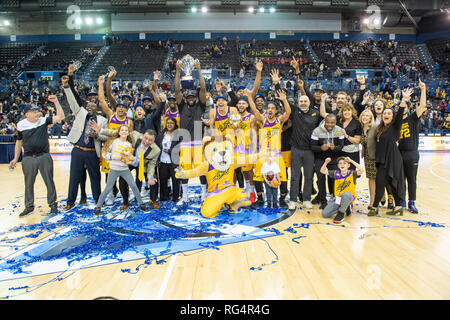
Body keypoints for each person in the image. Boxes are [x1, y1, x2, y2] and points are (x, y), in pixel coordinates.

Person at [9, 95, 65, 217]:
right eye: (34, 112)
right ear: (27, 114)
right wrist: (15, 158)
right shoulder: (21, 125)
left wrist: (56, 102)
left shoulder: (44, 120)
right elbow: (19, 142)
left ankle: (53, 205)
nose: (37, 113)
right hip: (28, 158)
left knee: (49, 181)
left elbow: (61, 116)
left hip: (44, 156)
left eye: (37, 111)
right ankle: (29, 206)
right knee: (28, 183)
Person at [61, 67, 108, 211]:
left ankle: (98, 201)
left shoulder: (102, 119)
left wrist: (98, 135)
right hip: (78, 150)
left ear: (96, 108)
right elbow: (72, 100)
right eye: (87, 105)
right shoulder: (80, 112)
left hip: (92, 150)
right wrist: (66, 86)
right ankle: (70, 201)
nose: (89, 106)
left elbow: (106, 136)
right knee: (74, 177)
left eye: (92, 105)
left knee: (95, 178)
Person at [368, 88, 412, 217]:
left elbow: (400, 113)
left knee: (384, 182)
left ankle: (375, 207)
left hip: (393, 159)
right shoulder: (379, 129)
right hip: (382, 160)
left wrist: (404, 99)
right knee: (388, 182)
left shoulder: (395, 127)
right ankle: (398, 207)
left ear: (392, 117)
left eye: (389, 113)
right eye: (385, 113)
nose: (386, 115)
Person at [247, 88, 291, 208]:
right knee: (257, 178)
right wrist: (250, 97)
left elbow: (288, 112)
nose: (270, 110)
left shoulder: (279, 120)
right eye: (269, 108)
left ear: (276, 111)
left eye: (272, 108)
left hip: (276, 155)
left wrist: (284, 100)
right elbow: (254, 110)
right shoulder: (263, 120)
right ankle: (260, 198)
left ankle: (281, 199)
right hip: (263, 155)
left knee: (283, 178)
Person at [174, 58, 208, 204]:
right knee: (185, 171)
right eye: (188, 97)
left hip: (199, 142)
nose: (190, 98)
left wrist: (199, 70)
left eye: (193, 96)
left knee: (201, 170)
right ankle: (185, 196)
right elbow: (176, 90)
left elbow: (204, 88)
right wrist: (177, 71)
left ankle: (204, 194)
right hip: (186, 142)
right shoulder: (182, 106)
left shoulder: (201, 105)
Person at [94, 125, 149, 215]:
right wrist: (113, 157)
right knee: (108, 188)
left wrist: (132, 159)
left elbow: (127, 160)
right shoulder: (113, 142)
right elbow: (104, 153)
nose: (124, 131)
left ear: (128, 133)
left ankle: (142, 205)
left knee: (134, 186)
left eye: (126, 130)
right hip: (113, 169)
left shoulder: (129, 145)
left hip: (124, 169)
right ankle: (98, 207)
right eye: (122, 130)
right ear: (119, 132)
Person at [286, 94, 322, 211]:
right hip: (296, 149)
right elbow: (284, 101)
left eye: (305, 101)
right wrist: (276, 84)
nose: (303, 103)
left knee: (308, 176)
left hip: (309, 150)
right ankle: (293, 199)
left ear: (309, 102)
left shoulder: (315, 113)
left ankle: (306, 199)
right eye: (301, 101)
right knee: (295, 176)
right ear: (298, 102)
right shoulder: (295, 111)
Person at [398, 80, 427, 213]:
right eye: (401, 106)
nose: (403, 108)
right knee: (400, 179)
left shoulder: (413, 118)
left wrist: (423, 90)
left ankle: (412, 202)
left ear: (408, 108)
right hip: (399, 153)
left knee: (412, 179)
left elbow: (422, 105)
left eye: (405, 106)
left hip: (412, 153)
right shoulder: (396, 121)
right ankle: (402, 200)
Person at [310, 113, 345, 209]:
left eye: (332, 123)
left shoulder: (339, 130)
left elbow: (341, 146)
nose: (330, 125)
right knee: (320, 180)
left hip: (334, 159)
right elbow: (312, 146)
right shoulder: (317, 131)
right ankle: (323, 200)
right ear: (325, 121)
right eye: (328, 122)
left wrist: (335, 148)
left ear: (335, 122)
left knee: (334, 179)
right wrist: (321, 148)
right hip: (320, 159)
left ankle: (334, 199)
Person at [320, 156, 364, 224]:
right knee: (325, 214)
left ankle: (341, 214)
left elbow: (361, 170)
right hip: (338, 198)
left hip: (349, 196)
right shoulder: (336, 173)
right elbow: (322, 171)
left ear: (348, 165)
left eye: (344, 163)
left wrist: (351, 160)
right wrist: (326, 162)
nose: (342, 165)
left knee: (345, 194)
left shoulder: (352, 173)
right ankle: (346, 207)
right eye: (340, 163)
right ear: (338, 165)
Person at [156, 117, 182, 202]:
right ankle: (163, 197)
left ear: (175, 125)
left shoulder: (178, 135)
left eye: (171, 123)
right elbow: (156, 147)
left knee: (175, 180)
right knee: (163, 181)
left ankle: (175, 197)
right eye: (168, 123)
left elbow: (180, 148)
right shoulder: (161, 134)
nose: (169, 125)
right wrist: (157, 159)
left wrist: (170, 151)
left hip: (174, 162)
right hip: (163, 162)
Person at [359, 108, 377, 211]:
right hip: (367, 157)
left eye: (367, 115)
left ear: (371, 118)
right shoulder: (361, 128)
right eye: (363, 115)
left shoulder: (375, 127)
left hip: (375, 157)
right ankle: (372, 199)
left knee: (377, 179)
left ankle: (378, 198)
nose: (365, 117)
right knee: (371, 178)